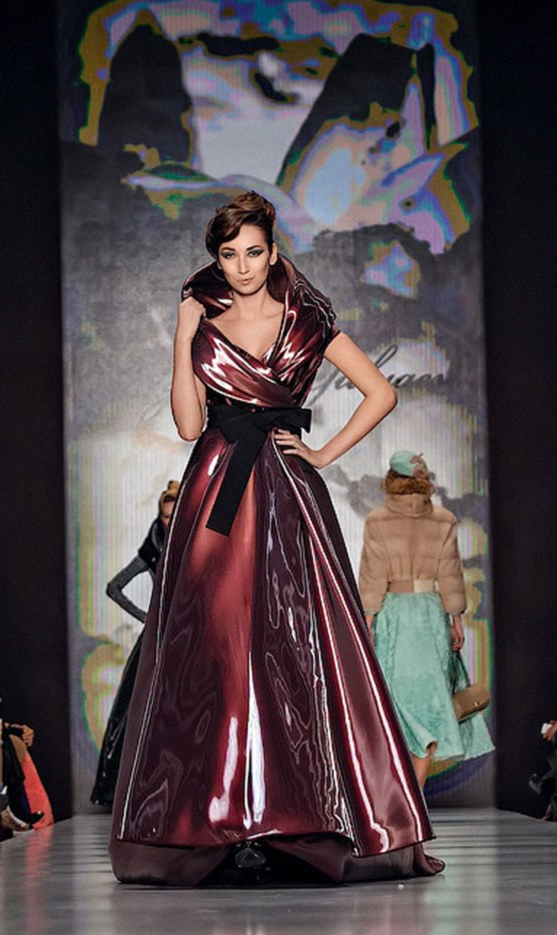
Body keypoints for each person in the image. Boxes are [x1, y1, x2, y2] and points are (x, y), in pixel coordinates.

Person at [108, 191, 441, 885]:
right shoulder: (204, 323)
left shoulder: (307, 322)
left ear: (273, 250)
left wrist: (322, 454)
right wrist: (181, 336)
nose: (241, 266)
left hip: (286, 492)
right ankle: (223, 821)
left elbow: (381, 392)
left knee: (296, 647)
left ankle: (296, 818)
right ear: (216, 258)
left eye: (253, 252)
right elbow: (188, 425)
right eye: (229, 254)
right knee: (219, 650)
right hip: (216, 490)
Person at [358, 451, 493, 789]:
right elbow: (450, 573)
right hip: (431, 616)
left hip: (394, 616)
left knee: (395, 703)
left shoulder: (378, 520)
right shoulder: (443, 520)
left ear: (393, 479)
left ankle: (405, 797)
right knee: (430, 702)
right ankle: (414, 798)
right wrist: (455, 619)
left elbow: (373, 575)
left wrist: (368, 620)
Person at [92, 481, 180, 806]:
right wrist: (148, 617)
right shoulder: (154, 547)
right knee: (141, 711)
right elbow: (114, 587)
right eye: (165, 516)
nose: (168, 521)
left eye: (173, 515)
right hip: (159, 639)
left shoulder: (195, 543)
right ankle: (138, 790)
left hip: (187, 635)